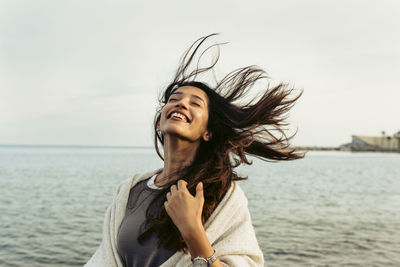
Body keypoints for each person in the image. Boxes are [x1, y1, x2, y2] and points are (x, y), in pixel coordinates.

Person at [84, 33, 304, 267]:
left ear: (208, 132)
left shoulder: (223, 194)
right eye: (175, 99)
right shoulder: (130, 191)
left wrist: (192, 230)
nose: (181, 103)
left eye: (195, 103)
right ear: (159, 123)